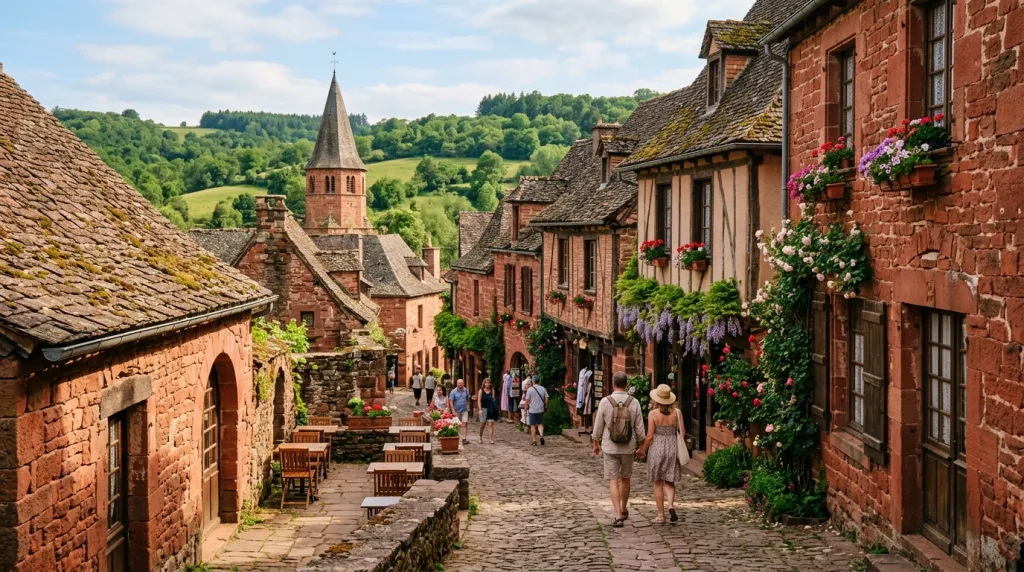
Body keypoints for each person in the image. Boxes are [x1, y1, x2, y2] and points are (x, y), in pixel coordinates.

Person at [592, 371, 647, 528]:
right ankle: (623, 508)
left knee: (613, 480)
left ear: (613, 384)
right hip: (628, 447)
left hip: (610, 446)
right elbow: (640, 428)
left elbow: (598, 425)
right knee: (625, 478)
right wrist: (642, 446)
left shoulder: (605, 401)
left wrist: (595, 442)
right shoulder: (634, 402)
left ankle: (617, 515)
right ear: (626, 385)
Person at [637, 384, 685, 524]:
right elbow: (682, 433)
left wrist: (642, 450)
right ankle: (670, 505)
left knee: (658, 483)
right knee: (669, 481)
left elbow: (650, 436)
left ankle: (661, 515)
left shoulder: (653, 414)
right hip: (672, 448)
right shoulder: (677, 413)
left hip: (657, 448)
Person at [525, 377, 549, 446]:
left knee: (533, 426)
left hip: (532, 410)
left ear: (533, 381)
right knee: (540, 424)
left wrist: (526, 408)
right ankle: (541, 436)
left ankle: (534, 441)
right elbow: (546, 398)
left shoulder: (530, 389)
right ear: (539, 381)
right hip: (540, 409)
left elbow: (527, 400)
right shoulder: (543, 388)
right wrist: (546, 406)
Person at [450, 379, 471, 444]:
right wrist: (453, 410)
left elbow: (468, 398)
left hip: (464, 410)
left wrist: (468, 405)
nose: (460, 384)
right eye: (459, 383)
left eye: (461, 383)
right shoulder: (453, 391)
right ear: (457, 384)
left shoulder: (466, 390)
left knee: (465, 424)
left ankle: (464, 438)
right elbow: (451, 402)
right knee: (456, 425)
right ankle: (457, 438)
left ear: (463, 384)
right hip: (456, 410)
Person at [477, 378, 498, 444]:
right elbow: (479, 401)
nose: (488, 384)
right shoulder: (481, 391)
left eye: (489, 383)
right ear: (484, 384)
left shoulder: (492, 390)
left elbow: (493, 400)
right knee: (482, 424)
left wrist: (494, 409)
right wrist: (480, 410)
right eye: (486, 383)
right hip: (483, 409)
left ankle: (490, 439)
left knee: (490, 424)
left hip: (490, 409)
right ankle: (480, 437)